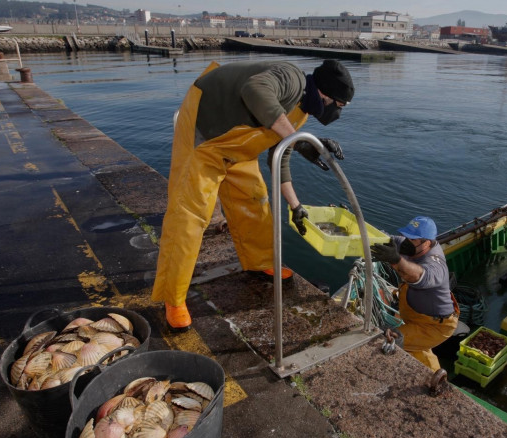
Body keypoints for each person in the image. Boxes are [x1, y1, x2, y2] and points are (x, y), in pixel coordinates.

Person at [153, 59, 355, 330]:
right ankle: (173, 298)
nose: (337, 114)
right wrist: (301, 141)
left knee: (255, 200)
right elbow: (255, 88)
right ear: (327, 96)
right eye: (339, 107)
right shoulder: (291, 78)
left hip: (237, 149)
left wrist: (296, 207)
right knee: (190, 217)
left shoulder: (300, 111)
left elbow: (279, 158)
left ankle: (260, 263)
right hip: (206, 135)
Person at [371, 216, 459, 371]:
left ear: (426, 242)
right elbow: (379, 237)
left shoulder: (436, 265)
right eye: (406, 236)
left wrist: (396, 260)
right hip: (414, 316)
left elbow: (417, 275)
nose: (405, 240)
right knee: (417, 347)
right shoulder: (407, 245)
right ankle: (435, 373)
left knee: (392, 338)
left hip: (434, 326)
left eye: (412, 239)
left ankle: (432, 378)